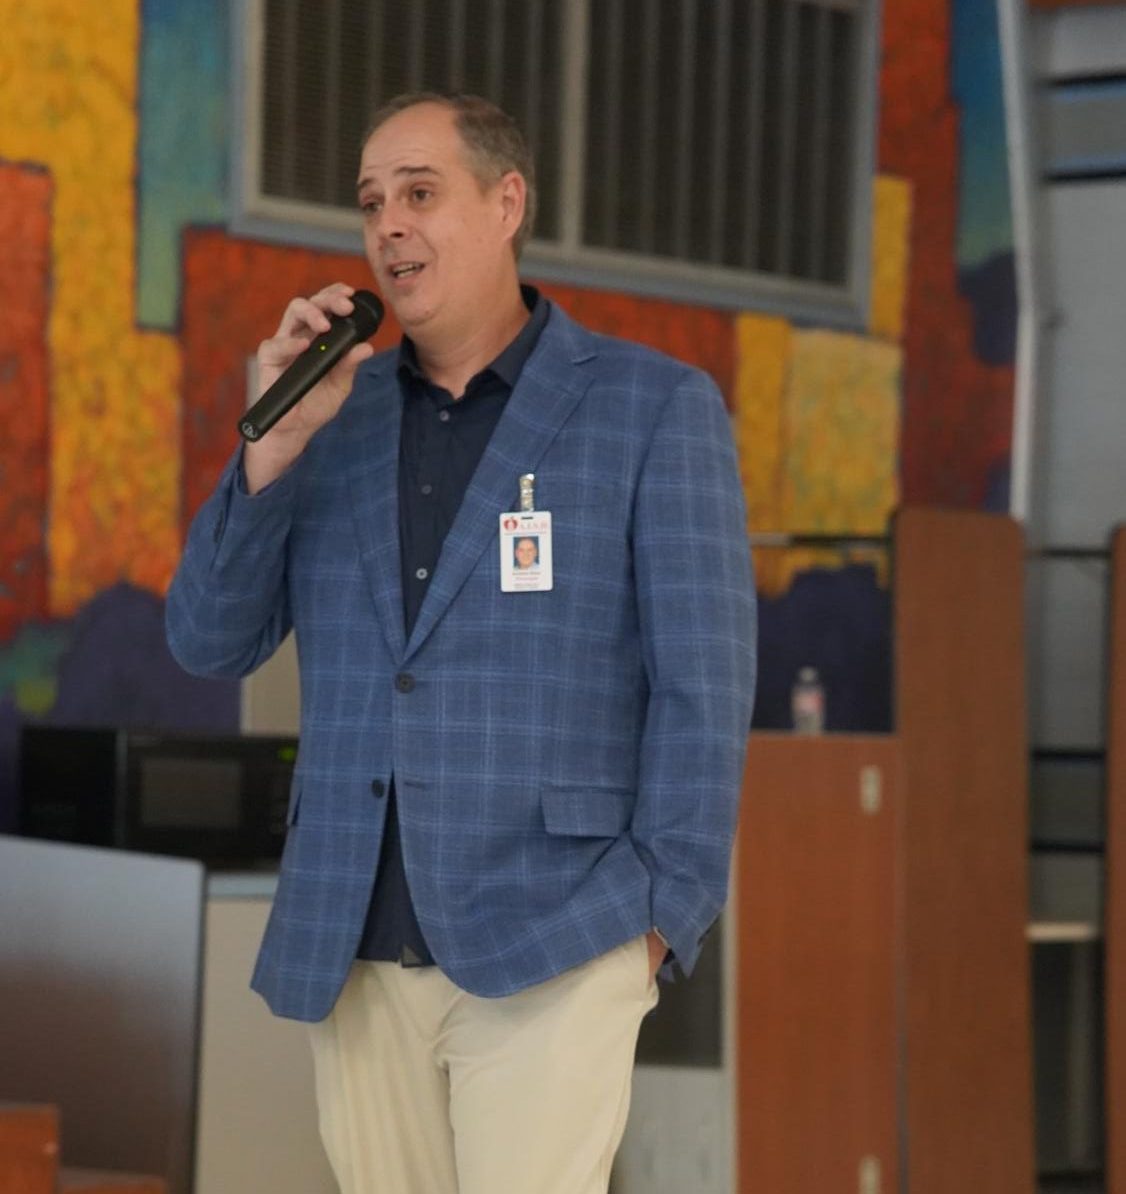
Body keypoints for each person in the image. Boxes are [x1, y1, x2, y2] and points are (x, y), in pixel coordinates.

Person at [166, 92, 756, 1194]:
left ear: (506, 203)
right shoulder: (328, 418)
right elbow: (208, 640)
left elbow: (703, 689)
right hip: (352, 934)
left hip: (559, 936)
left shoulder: (651, 409)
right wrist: (272, 445)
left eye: (420, 194)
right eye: (371, 202)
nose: (388, 225)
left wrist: (662, 918)